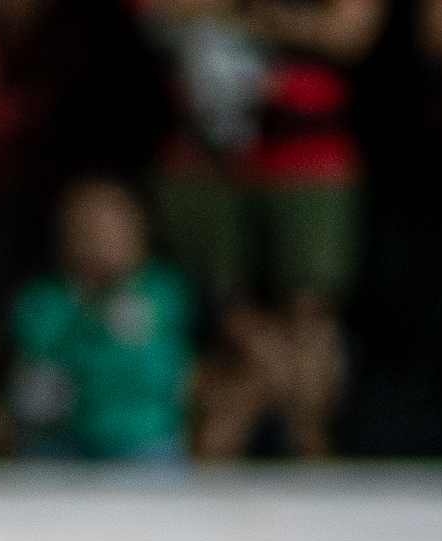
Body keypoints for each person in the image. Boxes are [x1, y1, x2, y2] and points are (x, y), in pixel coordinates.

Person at [144, 0, 379, 459]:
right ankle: (218, 458)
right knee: (226, 319)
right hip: (207, 153)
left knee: (309, 315)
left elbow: (348, 32)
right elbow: (159, 12)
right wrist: (286, 22)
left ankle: (311, 453)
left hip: (305, 147)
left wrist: (236, 18)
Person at [6, 175, 192, 460]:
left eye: (115, 228)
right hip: (61, 440)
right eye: (90, 229)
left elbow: (160, 370)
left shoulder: (161, 293)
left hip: (143, 441)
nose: (104, 240)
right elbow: (37, 372)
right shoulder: (45, 300)